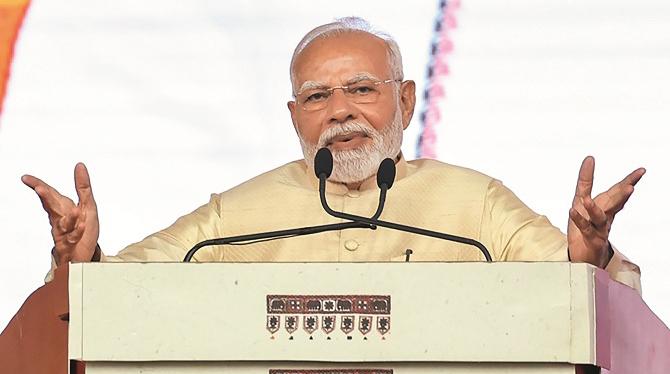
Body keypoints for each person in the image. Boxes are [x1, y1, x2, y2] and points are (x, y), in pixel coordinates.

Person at [22, 17, 645, 289]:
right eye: (317, 96)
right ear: (294, 117)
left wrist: (589, 254)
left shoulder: (474, 203)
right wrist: (79, 262)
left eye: (361, 90)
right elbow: (120, 289)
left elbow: (571, 284)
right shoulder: (236, 215)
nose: (340, 111)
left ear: (404, 99)